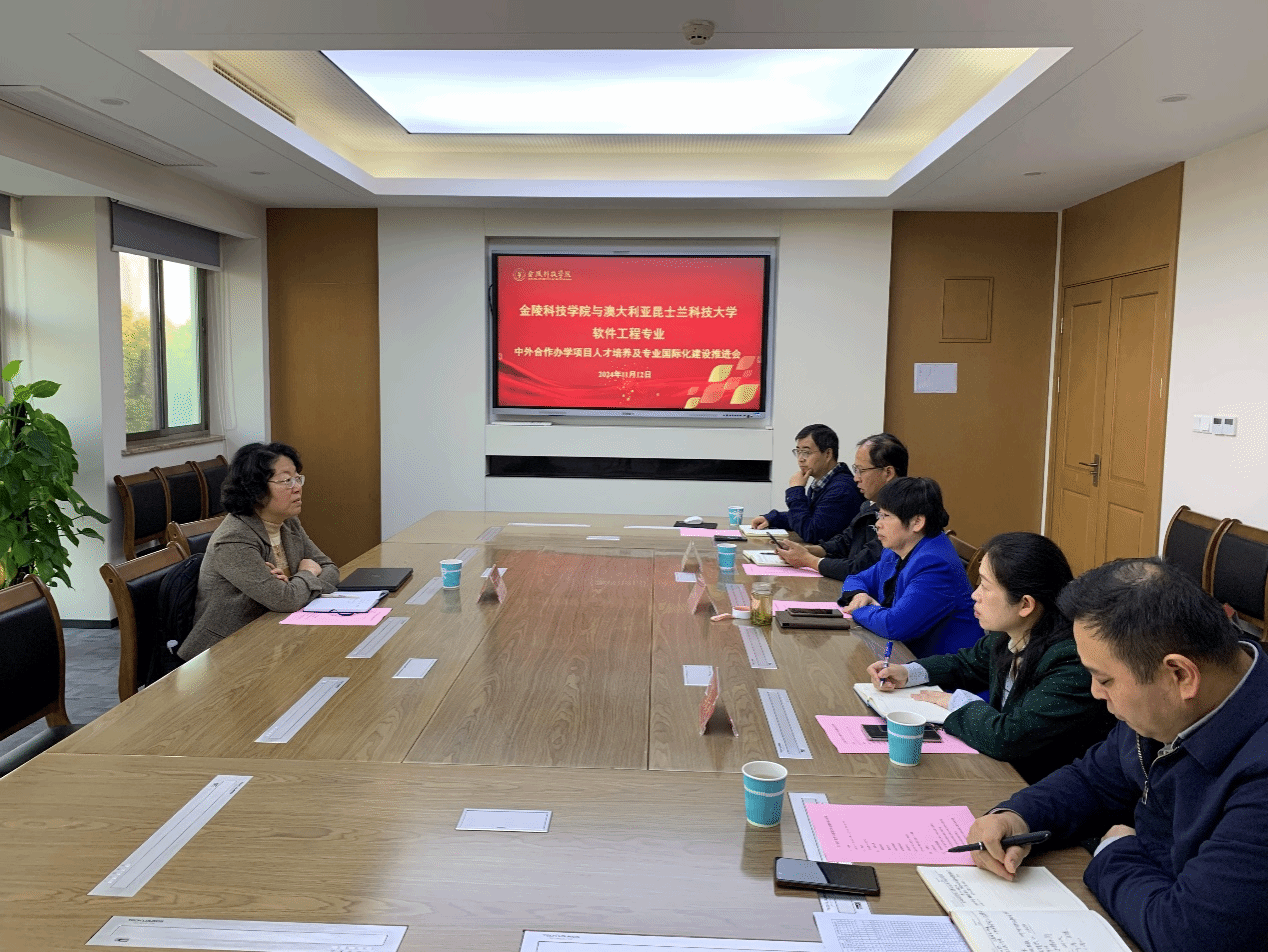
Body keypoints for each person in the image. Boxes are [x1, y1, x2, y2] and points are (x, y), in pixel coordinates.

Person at [964, 558, 1268, 952]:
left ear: (1180, 675)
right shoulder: (1169, 704)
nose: (1095, 692)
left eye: (1104, 679)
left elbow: (1188, 933)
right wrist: (1016, 816)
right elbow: (1094, 779)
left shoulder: (1258, 771)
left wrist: (1113, 852)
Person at [865, 532, 1114, 782]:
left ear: (1025, 605)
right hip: (1000, 773)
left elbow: (1009, 738)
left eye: (985, 586)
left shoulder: (1071, 661)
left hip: (1038, 786)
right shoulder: (1010, 634)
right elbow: (965, 664)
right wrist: (908, 673)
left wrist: (956, 703)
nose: (975, 595)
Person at [177, 442, 340, 660]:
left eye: (297, 478)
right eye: (286, 480)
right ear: (256, 489)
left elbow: (330, 569)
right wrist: (307, 573)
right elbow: (285, 600)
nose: (297, 487)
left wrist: (293, 587)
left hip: (275, 634)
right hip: (225, 651)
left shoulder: (287, 522)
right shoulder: (234, 539)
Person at [838, 476, 977, 657]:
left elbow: (894, 626)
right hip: (900, 655)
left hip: (942, 669)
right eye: (879, 515)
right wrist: (860, 596)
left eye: (886, 516)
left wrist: (859, 609)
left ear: (917, 522)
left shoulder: (935, 565)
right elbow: (855, 578)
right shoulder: (895, 550)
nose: (878, 524)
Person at [774, 432, 906, 580]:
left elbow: (860, 568)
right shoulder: (870, 506)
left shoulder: (901, 515)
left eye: (861, 471)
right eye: (855, 470)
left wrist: (808, 560)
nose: (856, 478)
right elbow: (844, 542)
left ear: (888, 473)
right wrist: (806, 551)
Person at [750, 423, 862, 545]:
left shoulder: (842, 489)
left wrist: (796, 490)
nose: (800, 459)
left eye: (806, 452)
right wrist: (773, 518)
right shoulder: (823, 481)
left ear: (828, 454)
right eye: (798, 452)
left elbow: (812, 533)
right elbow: (808, 516)